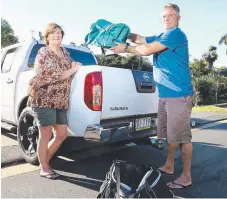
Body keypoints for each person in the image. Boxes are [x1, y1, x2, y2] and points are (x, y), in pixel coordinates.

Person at [111, 3, 194, 189]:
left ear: (178, 18)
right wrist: (125, 33)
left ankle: (186, 177)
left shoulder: (175, 34)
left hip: (178, 95)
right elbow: (141, 39)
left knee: (182, 138)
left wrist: (125, 48)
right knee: (170, 136)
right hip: (166, 95)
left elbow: (146, 50)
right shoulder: (163, 35)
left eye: (170, 15)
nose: (166, 18)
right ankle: (169, 165)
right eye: (164, 16)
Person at [27, 23, 82, 179]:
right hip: (44, 98)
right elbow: (48, 75)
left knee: (61, 134)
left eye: (59, 32)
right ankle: (44, 166)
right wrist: (71, 69)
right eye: (53, 33)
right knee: (45, 133)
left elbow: (70, 72)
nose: (57, 35)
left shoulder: (65, 52)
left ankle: (43, 161)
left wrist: (74, 66)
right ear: (47, 36)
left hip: (60, 100)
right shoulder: (43, 52)